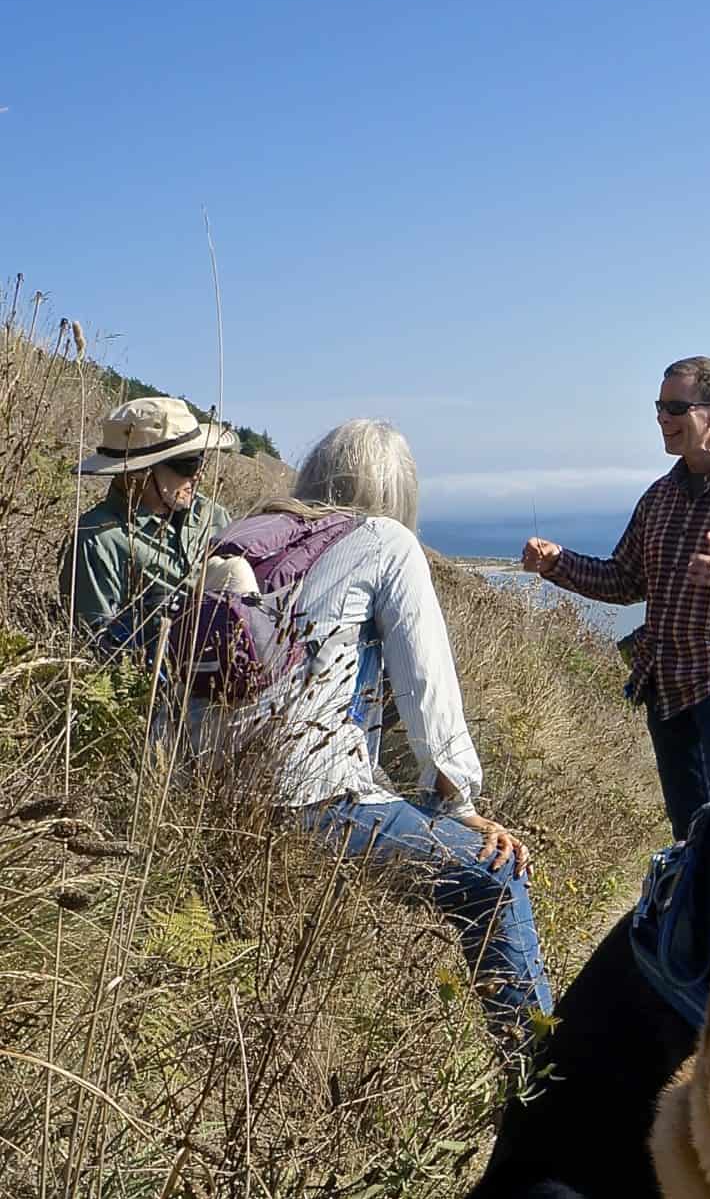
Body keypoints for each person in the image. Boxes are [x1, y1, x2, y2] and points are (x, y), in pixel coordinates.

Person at [230, 419, 550, 1052]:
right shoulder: (385, 541)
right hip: (309, 797)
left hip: (200, 788)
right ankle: (544, 1089)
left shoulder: (245, 534)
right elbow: (427, 687)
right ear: (398, 492)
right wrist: (461, 805)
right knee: (494, 880)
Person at [523, 356, 710, 836]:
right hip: (665, 681)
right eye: (659, 407)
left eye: (675, 407)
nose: (662, 418)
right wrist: (555, 562)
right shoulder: (658, 497)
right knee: (689, 829)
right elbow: (622, 580)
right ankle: (696, 911)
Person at [62, 393, 238, 655]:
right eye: (187, 464)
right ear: (138, 472)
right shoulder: (98, 539)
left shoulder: (212, 516)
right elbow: (94, 644)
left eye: (199, 459)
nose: (198, 473)